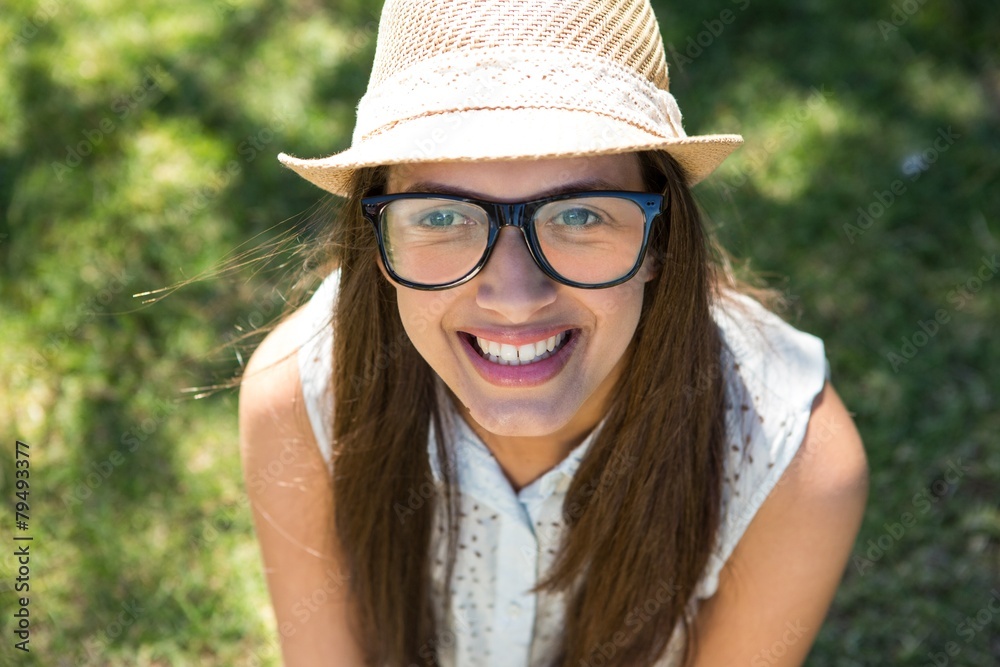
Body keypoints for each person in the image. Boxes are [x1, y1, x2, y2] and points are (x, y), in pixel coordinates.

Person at [238, 0, 869, 665]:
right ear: (377, 245)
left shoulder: (791, 466)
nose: (515, 298)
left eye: (578, 215)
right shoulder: (301, 398)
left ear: (660, 239)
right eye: (443, 216)